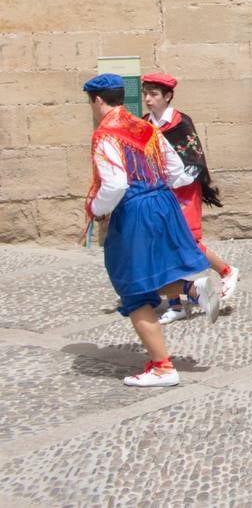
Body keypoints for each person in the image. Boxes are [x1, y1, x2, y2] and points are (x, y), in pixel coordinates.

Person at [82, 74, 220, 388]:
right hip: (164, 202)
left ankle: (162, 368)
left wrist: (98, 208)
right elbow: (176, 170)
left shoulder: (105, 134)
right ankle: (192, 289)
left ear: (97, 100)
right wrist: (157, 191)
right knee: (150, 274)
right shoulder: (145, 127)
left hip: (134, 209)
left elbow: (115, 183)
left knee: (131, 287)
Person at [139, 72, 239, 323]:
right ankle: (176, 305)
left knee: (188, 239)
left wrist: (177, 179)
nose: (148, 100)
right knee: (161, 244)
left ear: (168, 96)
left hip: (184, 188)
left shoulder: (181, 122)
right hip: (159, 190)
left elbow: (195, 159)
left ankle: (226, 271)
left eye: (153, 94)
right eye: (146, 94)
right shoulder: (144, 123)